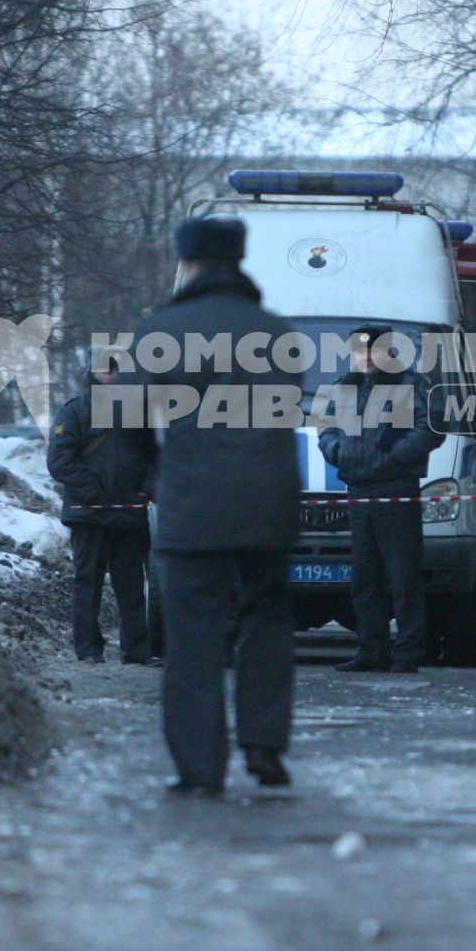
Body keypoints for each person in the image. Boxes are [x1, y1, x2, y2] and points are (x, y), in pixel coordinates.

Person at [134, 216, 302, 797]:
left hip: (191, 505)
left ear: (190, 263)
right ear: (239, 260)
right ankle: (264, 746)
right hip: (268, 505)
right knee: (267, 625)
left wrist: (155, 470)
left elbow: (129, 416)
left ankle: (201, 768)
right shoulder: (278, 332)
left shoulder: (164, 330)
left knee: (194, 638)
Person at [318, 325, 445, 674]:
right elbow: (325, 427)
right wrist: (337, 451)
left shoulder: (410, 384)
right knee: (365, 578)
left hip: (395, 490)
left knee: (403, 577)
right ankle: (371, 651)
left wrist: (395, 459)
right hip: (357, 490)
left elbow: (431, 427)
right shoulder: (345, 387)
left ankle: (407, 654)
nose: (363, 358)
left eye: (371, 351)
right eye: (358, 352)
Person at [48, 362, 157, 664]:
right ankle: (87, 649)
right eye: (104, 370)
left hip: (129, 515)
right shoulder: (75, 412)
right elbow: (59, 460)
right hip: (89, 516)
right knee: (87, 584)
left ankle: (136, 649)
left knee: (132, 586)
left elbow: (156, 457)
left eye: (115, 370)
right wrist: (94, 494)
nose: (110, 376)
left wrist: (144, 491)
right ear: (92, 374)